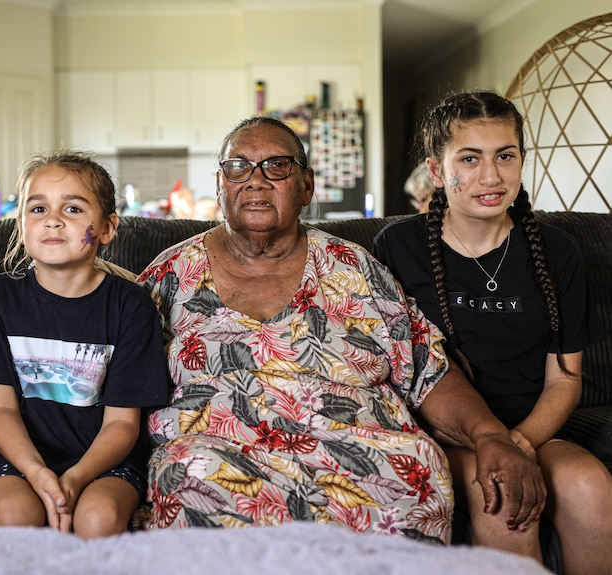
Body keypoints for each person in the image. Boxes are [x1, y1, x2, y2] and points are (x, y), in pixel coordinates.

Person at [136, 116, 545, 544]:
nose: (255, 181)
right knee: (188, 472)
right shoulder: (169, 275)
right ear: (220, 183)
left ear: (307, 185)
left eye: (277, 166)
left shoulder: (355, 268)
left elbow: (426, 367)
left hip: (361, 449)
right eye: (239, 166)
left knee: (418, 462)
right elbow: (122, 391)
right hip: (216, 455)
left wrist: (489, 435)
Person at [373, 91, 612, 572]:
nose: (491, 175)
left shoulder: (557, 251)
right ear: (437, 172)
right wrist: (490, 446)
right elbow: (390, 372)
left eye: (505, 156)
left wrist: (517, 442)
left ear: (522, 160)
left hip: (534, 432)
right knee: (499, 494)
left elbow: (565, 380)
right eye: (470, 158)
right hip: (449, 437)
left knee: (590, 485)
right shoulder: (396, 246)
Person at [0, 151, 170, 539]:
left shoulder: (131, 305)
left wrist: (75, 479)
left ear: (108, 227)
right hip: (17, 461)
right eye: (39, 208)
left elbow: (121, 424)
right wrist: (37, 473)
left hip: (104, 464)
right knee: (14, 516)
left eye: (74, 208)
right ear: (22, 223)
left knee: (96, 520)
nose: (53, 220)